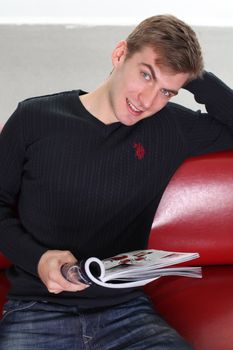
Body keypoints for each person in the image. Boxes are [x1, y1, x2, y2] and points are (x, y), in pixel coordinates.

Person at [0, 14, 232, 350]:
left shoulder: (171, 128)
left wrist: (193, 77)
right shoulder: (35, 117)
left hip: (125, 313)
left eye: (167, 90)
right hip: (36, 310)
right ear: (120, 54)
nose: (148, 100)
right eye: (145, 75)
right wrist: (38, 258)